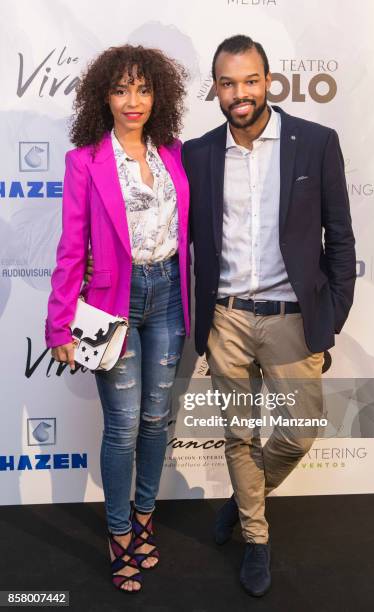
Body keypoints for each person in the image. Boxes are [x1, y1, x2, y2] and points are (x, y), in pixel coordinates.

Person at [182, 35, 356, 597]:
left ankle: (242, 498)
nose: (240, 94)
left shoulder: (316, 143)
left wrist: (331, 318)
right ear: (215, 88)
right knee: (238, 435)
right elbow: (188, 244)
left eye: (250, 81)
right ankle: (256, 538)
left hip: (291, 317)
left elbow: (341, 240)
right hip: (226, 318)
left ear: (269, 81)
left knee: (300, 431)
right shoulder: (199, 153)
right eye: (228, 83)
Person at [45, 45, 190, 593]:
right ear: (103, 96)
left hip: (171, 295)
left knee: (157, 419)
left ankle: (146, 516)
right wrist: (60, 324)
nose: (134, 101)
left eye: (144, 89)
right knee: (124, 426)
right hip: (114, 304)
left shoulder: (172, 152)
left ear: (160, 95)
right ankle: (118, 530)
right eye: (122, 89)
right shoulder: (85, 161)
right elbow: (69, 247)